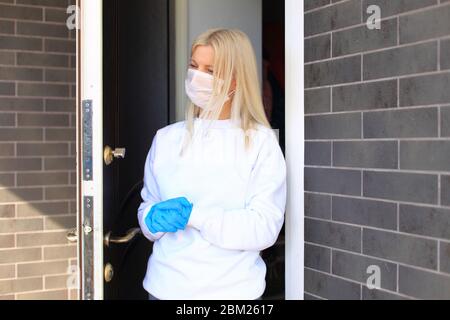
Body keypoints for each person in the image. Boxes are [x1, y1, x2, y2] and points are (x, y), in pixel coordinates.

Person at [137, 28, 287, 300]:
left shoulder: (259, 143)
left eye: (210, 70)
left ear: (234, 80)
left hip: (232, 294)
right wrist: (150, 220)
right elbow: (149, 208)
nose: (197, 77)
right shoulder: (166, 139)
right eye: (194, 66)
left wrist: (196, 217)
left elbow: (264, 227)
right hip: (163, 289)